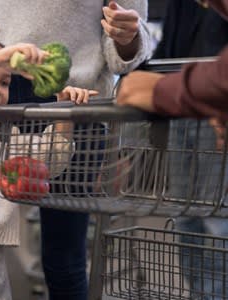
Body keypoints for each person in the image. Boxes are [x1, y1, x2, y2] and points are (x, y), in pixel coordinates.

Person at [0, 1, 153, 298]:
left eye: (4, 82)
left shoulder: (3, 135)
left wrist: (65, 105)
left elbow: (50, 159)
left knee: (65, 257)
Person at [118, 1, 228, 299]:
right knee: (185, 215)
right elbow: (167, 47)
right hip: (182, 109)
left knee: (217, 219)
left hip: (207, 105)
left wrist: (157, 89)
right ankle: (200, 293)